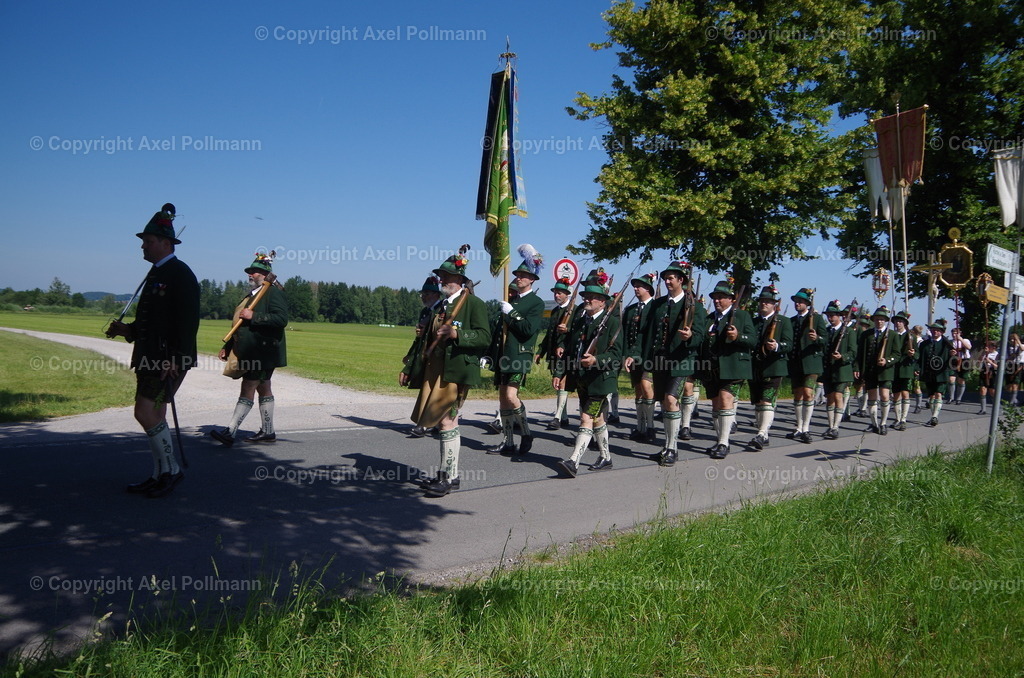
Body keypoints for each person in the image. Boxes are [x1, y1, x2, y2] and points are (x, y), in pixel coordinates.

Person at [105, 203, 199, 498]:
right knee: (154, 414)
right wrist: (128, 331)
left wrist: (175, 359)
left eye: (148, 241)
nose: (143, 247)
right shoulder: (157, 273)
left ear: (165, 243)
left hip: (165, 360)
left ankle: (170, 471)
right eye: (143, 242)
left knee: (145, 412)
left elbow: (186, 323)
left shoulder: (179, 274)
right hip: (149, 356)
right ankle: (159, 474)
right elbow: (155, 321)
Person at [410, 246, 491, 498]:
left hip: (457, 371)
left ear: (460, 280)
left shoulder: (473, 304)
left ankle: (448, 476)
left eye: (447, 276)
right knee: (442, 422)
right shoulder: (441, 306)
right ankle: (449, 475)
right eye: (441, 276)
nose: (442, 280)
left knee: (447, 421)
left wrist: (457, 333)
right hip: (435, 370)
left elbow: (484, 337)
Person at [209, 252, 289, 447]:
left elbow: (281, 320)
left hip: (263, 351)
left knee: (248, 386)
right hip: (252, 350)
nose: (250, 275)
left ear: (263, 274)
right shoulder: (252, 295)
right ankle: (268, 432)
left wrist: (255, 316)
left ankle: (230, 431)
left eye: (253, 272)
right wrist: (228, 346)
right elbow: (240, 323)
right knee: (263, 387)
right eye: (250, 272)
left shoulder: (272, 293)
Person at [554, 275, 622, 477]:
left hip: (600, 381)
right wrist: (561, 372)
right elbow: (570, 348)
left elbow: (617, 355)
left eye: (592, 296)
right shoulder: (580, 320)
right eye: (585, 296)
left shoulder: (612, 323)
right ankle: (606, 457)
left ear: (603, 301)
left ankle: (574, 461)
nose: (587, 299)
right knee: (598, 419)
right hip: (582, 378)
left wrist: (596, 360)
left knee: (586, 418)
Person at [645, 261, 706, 466]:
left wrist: (690, 336)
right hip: (660, 359)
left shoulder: (695, 307)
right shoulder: (658, 304)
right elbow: (650, 333)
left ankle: (672, 448)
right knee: (663, 402)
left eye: (672, 278)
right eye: (666, 277)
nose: (668, 281)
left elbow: (701, 336)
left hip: (682, 360)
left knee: (671, 399)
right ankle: (666, 446)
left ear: (682, 280)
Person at [486, 248, 546, 458]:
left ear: (532, 279)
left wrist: (511, 313)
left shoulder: (536, 303)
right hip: (503, 355)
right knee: (503, 399)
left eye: (523, 276)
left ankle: (527, 433)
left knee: (512, 396)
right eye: (517, 275)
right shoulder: (510, 299)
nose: (518, 278)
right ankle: (508, 441)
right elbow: (497, 331)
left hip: (519, 356)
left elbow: (528, 329)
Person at [701, 279, 755, 458]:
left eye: (721, 297)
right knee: (716, 406)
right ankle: (719, 440)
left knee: (725, 400)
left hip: (733, 367)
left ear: (731, 299)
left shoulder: (742, 316)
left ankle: (724, 443)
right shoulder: (709, 319)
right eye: (715, 297)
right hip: (712, 368)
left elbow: (752, 340)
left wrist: (738, 336)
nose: (717, 300)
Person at [748, 283, 792, 449]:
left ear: (774, 304)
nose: (763, 304)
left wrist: (777, 346)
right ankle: (763, 433)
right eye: (762, 301)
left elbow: (789, 344)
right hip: (756, 366)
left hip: (774, 366)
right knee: (759, 403)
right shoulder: (753, 322)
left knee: (767, 401)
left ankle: (761, 434)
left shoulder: (784, 321)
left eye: (767, 301)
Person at [400, 276, 443, 437]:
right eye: (422, 293)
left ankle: (426, 424)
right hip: (425, 355)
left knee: (434, 390)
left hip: (439, 356)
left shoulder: (443, 310)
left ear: (437, 295)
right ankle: (433, 422)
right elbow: (419, 337)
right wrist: (410, 358)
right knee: (428, 389)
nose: (424, 297)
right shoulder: (425, 312)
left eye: (427, 293)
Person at [787, 288, 828, 442]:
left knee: (808, 393)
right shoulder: (791, 321)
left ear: (807, 304)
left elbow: (825, 340)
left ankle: (806, 428)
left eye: (800, 301)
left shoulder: (816, 319)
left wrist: (817, 338)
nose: (797, 304)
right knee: (797, 394)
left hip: (811, 362)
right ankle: (798, 426)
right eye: (796, 301)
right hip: (796, 363)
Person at [623, 272, 658, 443]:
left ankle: (650, 427)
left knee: (646, 387)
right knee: (638, 389)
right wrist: (624, 355)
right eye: (635, 286)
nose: (636, 289)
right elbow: (624, 335)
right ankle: (640, 427)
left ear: (648, 289)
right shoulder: (630, 310)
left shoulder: (656, 307)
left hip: (649, 356)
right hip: (632, 356)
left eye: (639, 286)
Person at [535, 277, 574, 430]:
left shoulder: (575, 310)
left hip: (568, 353)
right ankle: (564, 417)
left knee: (562, 382)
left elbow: (578, 333)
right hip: (554, 353)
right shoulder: (555, 311)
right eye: (555, 293)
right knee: (558, 384)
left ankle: (557, 417)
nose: (557, 296)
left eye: (560, 293)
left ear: (567, 294)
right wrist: (540, 351)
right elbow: (549, 334)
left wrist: (568, 331)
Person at [854, 306, 900, 435]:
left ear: (885, 321)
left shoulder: (892, 335)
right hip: (870, 370)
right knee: (872, 397)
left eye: (882, 319)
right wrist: (857, 367)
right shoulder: (866, 334)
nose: (879, 322)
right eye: (877, 319)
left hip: (885, 371)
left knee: (885, 396)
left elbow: (897, 354)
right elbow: (860, 353)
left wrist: (887, 360)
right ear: (873, 320)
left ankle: (883, 423)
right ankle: (874, 423)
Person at [819, 301, 857, 439]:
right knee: (829, 398)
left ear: (839, 316)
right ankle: (830, 425)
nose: (830, 318)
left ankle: (836, 426)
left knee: (838, 396)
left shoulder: (848, 332)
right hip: (828, 369)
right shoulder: (827, 331)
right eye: (828, 315)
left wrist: (843, 356)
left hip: (842, 369)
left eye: (833, 315)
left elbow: (853, 352)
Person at [919, 319, 955, 426]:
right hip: (928, 373)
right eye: (933, 330)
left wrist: (953, 355)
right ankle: (932, 415)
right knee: (931, 396)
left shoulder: (948, 344)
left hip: (942, 373)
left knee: (938, 394)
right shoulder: (924, 344)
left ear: (942, 332)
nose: (935, 332)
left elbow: (954, 361)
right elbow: (920, 358)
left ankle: (935, 416)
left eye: (938, 330)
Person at [889, 310, 916, 431]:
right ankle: (897, 418)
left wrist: (913, 354)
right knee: (896, 395)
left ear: (905, 323)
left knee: (905, 393)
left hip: (906, 368)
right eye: (896, 321)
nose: (898, 323)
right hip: (894, 368)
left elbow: (917, 354)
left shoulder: (910, 336)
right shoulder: (891, 335)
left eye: (900, 321)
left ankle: (903, 419)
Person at [949, 327, 972, 404]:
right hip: (954, 360)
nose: (954, 335)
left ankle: (958, 398)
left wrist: (960, 339)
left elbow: (969, 347)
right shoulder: (951, 342)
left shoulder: (965, 340)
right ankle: (951, 397)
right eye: (953, 333)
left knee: (961, 380)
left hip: (964, 360)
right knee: (951, 379)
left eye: (956, 333)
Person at [978, 340, 998, 415]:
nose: (987, 347)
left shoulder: (997, 354)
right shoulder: (985, 354)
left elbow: (997, 366)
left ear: (994, 347)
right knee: (982, 390)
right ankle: (983, 409)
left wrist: (990, 361)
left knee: (992, 391)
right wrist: (984, 353)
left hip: (992, 373)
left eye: (989, 346)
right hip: (984, 371)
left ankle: (995, 407)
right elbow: (979, 361)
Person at [1006, 333, 1024, 407]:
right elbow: (1006, 358)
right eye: (1011, 339)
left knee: (1015, 384)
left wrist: (1017, 340)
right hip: (1010, 365)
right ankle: (1015, 400)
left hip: (1018, 365)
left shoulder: (1021, 346)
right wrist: (1010, 357)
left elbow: (1022, 349)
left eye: (1014, 339)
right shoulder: (1009, 348)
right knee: (1008, 386)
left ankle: (1011, 403)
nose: (1012, 341)